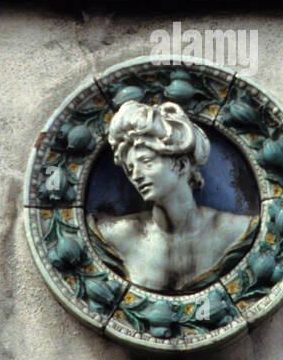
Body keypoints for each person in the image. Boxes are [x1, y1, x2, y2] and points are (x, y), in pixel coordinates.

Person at [90, 101, 256, 294]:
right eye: (130, 169)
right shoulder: (115, 235)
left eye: (146, 161)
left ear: (182, 165)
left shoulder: (236, 230)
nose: (136, 175)